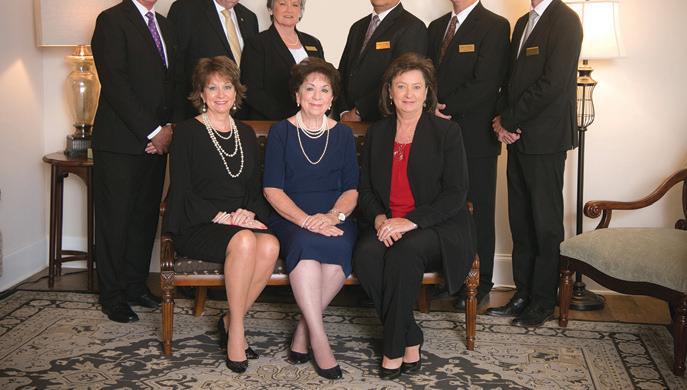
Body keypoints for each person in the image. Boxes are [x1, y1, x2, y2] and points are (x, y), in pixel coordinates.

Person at [353, 53, 474, 380]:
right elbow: (365, 189)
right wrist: (380, 219)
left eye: (416, 87)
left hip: (435, 225)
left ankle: (393, 349)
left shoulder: (447, 132)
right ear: (389, 92)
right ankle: (411, 335)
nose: (409, 94)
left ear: (427, 92)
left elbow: (456, 193)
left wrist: (411, 221)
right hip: (388, 221)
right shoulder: (378, 133)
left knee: (404, 253)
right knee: (365, 254)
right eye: (401, 86)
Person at [487, 0, 583, 328]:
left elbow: (552, 84)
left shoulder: (566, 21)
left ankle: (543, 301)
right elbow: (511, 81)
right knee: (521, 222)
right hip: (517, 139)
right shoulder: (521, 23)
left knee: (545, 224)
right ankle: (522, 293)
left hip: (545, 140)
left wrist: (508, 118)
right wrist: (501, 121)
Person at [165, 56, 279, 374]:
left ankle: (229, 319)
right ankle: (237, 333)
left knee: (270, 245)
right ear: (201, 93)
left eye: (227, 87)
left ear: (236, 91)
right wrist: (224, 217)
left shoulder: (245, 133)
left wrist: (248, 212)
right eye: (212, 87)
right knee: (245, 241)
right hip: (198, 222)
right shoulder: (186, 132)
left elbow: (254, 187)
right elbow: (183, 190)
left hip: (238, 220)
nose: (220, 94)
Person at [91, 0, 183, 323]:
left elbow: (173, 83)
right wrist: (153, 131)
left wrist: (170, 129)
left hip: (157, 144)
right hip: (121, 142)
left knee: (144, 218)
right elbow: (116, 85)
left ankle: (133, 285)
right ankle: (112, 295)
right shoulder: (111, 21)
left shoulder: (166, 25)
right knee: (115, 220)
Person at [262, 58, 359, 380]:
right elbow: (272, 189)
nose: (317, 96)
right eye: (309, 89)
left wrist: (332, 216)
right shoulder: (281, 132)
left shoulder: (343, 135)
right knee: (305, 244)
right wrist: (305, 220)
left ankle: (303, 331)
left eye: (324, 90)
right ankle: (320, 340)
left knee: (338, 247)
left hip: (334, 217)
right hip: (290, 217)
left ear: (332, 98)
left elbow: (352, 190)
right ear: (297, 95)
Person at [427, 0, 510, 310]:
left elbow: (486, 83)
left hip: (475, 138)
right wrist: (429, 105)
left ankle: (481, 282)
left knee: (477, 211)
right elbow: (425, 75)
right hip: (436, 136)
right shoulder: (435, 27)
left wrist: (443, 108)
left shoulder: (495, 26)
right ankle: (450, 278)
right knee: (443, 208)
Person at [168, 0, 259, 117]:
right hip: (197, 115)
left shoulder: (249, 18)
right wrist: (174, 119)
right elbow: (175, 69)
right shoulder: (185, 10)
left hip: (242, 116)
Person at [336, 0, 427, 123]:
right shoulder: (357, 27)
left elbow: (399, 80)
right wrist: (343, 111)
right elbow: (342, 73)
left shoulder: (412, 27)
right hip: (347, 121)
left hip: (384, 121)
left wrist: (359, 112)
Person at [240, 0, 324, 120]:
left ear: (301, 11)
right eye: (282, 4)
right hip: (272, 122)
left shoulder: (313, 43)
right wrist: (290, 119)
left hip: (311, 123)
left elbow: (325, 83)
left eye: (295, 5)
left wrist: (317, 113)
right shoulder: (257, 44)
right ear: (270, 8)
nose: (289, 10)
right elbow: (252, 91)